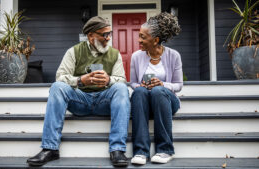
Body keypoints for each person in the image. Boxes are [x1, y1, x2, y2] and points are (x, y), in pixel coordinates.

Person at [27, 16, 130, 167]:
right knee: (57, 87)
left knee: (121, 88)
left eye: (110, 34)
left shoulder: (115, 54)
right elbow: (60, 77)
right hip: (80, 101)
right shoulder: (73, 52)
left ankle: (117, 150)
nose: (108, 38)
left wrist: (109, 80)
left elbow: (121, 79)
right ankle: (50, 148)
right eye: (104, 34)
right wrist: (80, 80)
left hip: (104, 101)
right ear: (91, 36)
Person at [129, 12, 183, 165]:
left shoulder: (174, 56)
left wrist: (162, 84)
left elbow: (178, 85)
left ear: (156, 40)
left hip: (166, 101)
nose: (139, 40)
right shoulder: (136, 56)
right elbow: (132, 83)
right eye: (139, 36)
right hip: (145, 101)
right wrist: (141, 86)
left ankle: (165, 150)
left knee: (158, 91)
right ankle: (140, 152)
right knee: (138, 91)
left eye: (143, 37)